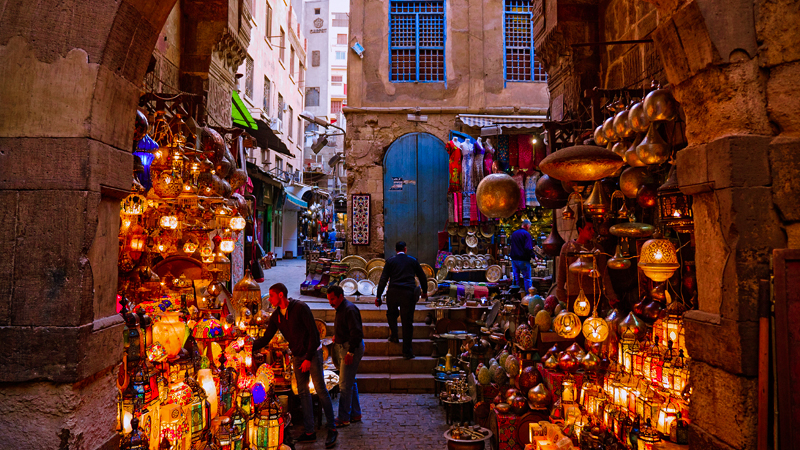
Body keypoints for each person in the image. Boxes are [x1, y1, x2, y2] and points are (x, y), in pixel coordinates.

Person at [253, 283, 338, 448]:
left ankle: (332, 429)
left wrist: (308, 358)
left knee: (320, 390)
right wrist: (249, 345)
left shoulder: (300, 308)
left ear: (280, 295)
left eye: (271, 296)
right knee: (303, 393)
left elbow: (314, 334)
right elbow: (266, 338)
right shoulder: (277, 316)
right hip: (298, 355)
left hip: (312, 353)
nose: (269, 299)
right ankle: (309, 431)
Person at [375, 241, 428, 360]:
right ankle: (407, 352)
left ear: (395, 250)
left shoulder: (390, 261)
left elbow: (383, 279)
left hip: (393, 292)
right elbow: (422, 277)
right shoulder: (413, 260)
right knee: (407, 322)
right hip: (408, 294)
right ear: (405, 249)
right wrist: (424, 291)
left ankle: (394, 335)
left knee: (391, 314)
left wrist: (378, 296)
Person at [555, 217, 618, 311]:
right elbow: (562, 271)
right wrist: (560, 291)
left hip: (593, 293)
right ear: (580, 230)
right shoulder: (567, 248)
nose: (592, 231)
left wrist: (611, 296)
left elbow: (605, 274)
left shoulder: (597, 249)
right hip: (573, 293)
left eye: (593, 229)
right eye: (589, 229)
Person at [327, 286, 364, 427]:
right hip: (345, 346)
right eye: (329, 299)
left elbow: (356, 332)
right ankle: (355, 413)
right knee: (350, 381)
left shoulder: (349, 309)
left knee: (344, 384)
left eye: (332, 299)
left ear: (341, 297)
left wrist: (351, 352)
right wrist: (338, 336)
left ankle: (343, 417)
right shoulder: (341, 308)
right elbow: (346, 328)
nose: (330, 302)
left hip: (351, 348)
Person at [510, 219, 535, 292]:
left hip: (514, 259)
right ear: (527, 226)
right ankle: (528, 296)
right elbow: (528, 247)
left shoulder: (514, 233)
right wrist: (533, 256)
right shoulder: (526, 234)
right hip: (523, 260)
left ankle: (516, 295)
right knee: (527, 278)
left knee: (516, 277)